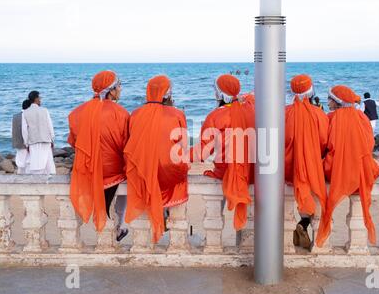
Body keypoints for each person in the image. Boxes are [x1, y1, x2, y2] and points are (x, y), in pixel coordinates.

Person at [124, 75, 190, 243]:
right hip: (170, 171)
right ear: (167, 94)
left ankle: (159, 213)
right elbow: (183, 146)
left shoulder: (135, 113)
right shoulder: (177, 113)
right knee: (176, 170)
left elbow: (130, 143)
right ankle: (165, 213)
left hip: (143, 170)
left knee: (148, 169)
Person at [316, 85, 379, 248]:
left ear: (336, 101)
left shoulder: (330, 117)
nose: (328, 100)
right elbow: (369, 143)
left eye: (330, 98)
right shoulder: (361, 116)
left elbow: (323, 143)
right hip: (360, 168)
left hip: (336, 169)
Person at [68, 70, 129, 242]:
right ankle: (120, 222)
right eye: (119, 86)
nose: (120, 89)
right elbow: (127, 144)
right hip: (113, 170)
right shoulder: (121, 113)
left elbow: (74, 142)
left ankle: (115, 222)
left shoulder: (77, 113)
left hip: (88, 168)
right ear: (111, 90)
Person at [190, 74, 255, 231]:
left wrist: (177, 154)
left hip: (227, 171)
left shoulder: (215, 116)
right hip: (252, 172)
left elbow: (202, 153)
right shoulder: (251, 109)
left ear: (219, 94)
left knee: (214, 214)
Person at [285, 75, 329, 249]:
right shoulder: (319, 114)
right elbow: (325, 141)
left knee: (299, 193)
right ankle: (304, 223)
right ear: (311, 91)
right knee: (313, 195)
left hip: (288, 166)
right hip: (312, 164)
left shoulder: (285, 112)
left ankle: (302, 223)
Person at [21, 91, 56, 175]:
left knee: (36, 163)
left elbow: (24, 130)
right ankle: (50, 181)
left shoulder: (25, 113)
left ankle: (37, 181)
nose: (40, 100)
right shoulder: (44, 110)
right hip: (46, 140)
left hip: (33, 141)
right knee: (49, 164)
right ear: (36, 99)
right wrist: (52, 139)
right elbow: (50, 126)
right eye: (39, 98)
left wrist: (26, 143)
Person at [11, 102, 29, 174]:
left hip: (17, 141)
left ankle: (20, 172)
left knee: (20, 157)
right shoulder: (26, 116)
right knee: (27, 160)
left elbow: (12, 129)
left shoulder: (15, 116)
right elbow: (25, 130)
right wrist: (27, 142)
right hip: (24, 141)